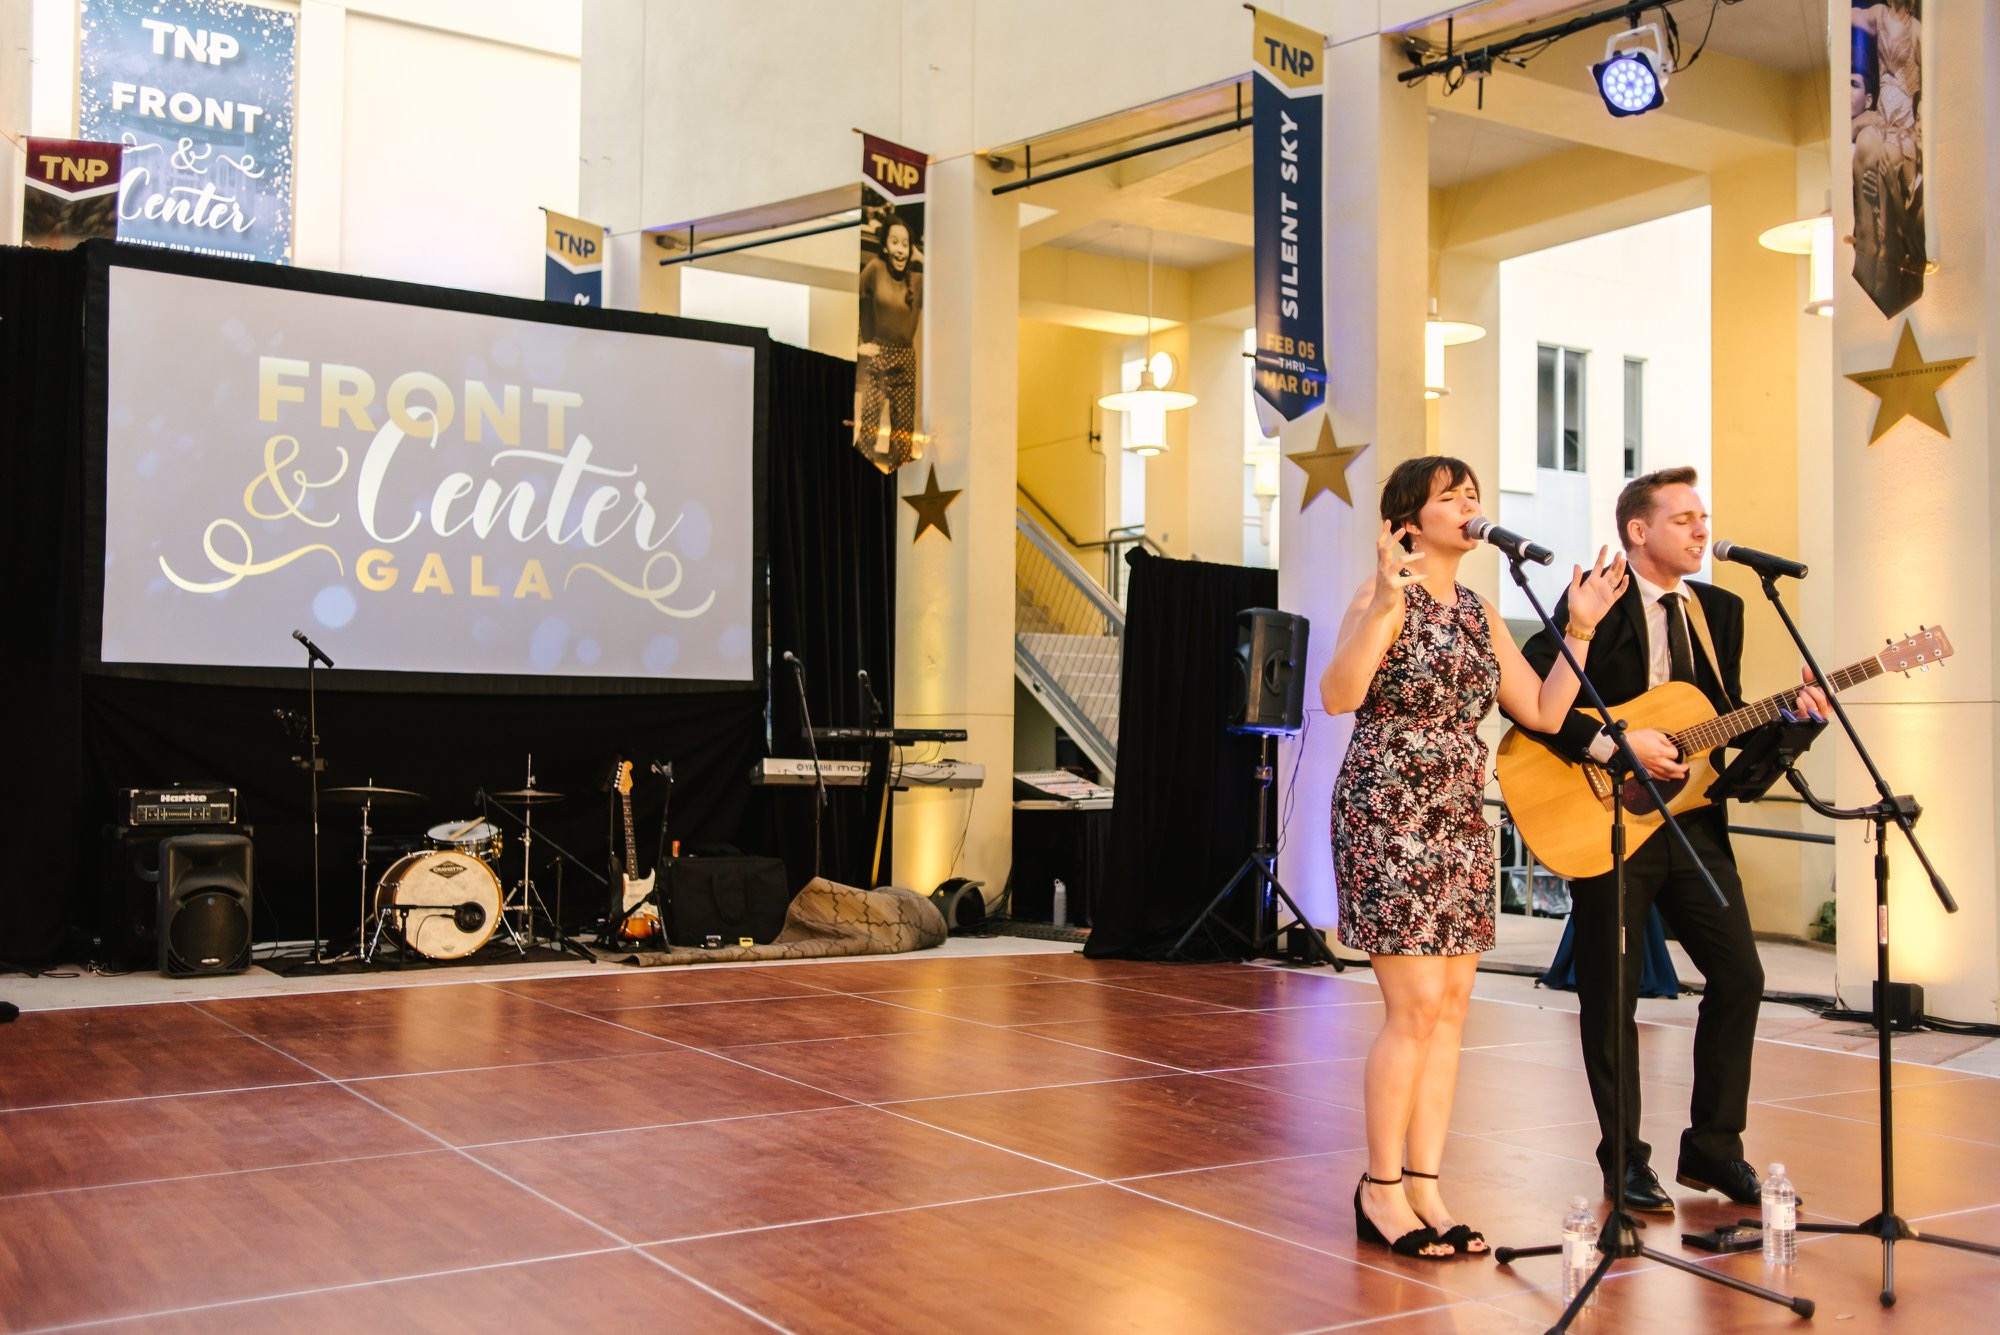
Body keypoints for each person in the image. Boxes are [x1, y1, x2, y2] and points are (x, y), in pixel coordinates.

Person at [1322, 456, 1628, 1259]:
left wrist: (1584, 628)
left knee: (1452, 1009)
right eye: (1448, 496)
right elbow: (1338, 694)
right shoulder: (1383, 595)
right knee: (1413, 1007)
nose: (1468, 505)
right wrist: (1387, 600)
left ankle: (1426, 1182)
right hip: (1389, 811)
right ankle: (1380, 1188)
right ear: (1408, 523)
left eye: (1471, 494)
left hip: (1457, 813)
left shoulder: (1482, 612)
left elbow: (1544, 709)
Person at [1514, 467, 1826, 1214]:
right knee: (1611, 992)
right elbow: (1538, 709)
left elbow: (1717, 726)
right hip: (1609, 821)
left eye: (1702, 515)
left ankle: (1714, 1149)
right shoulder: (1597, 600)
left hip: (1691, 823)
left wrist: (1792, 723)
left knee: (1741, 976)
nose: (1700, 528)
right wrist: (1617, 746)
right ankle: (1623, 1158)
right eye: (1683, 517)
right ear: (1638, 530)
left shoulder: (1723, 608)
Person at [854, 214, 922, 471]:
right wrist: (861, 343)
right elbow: (856, 302)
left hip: (905, 356)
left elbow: (945, 284)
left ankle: (897, 487)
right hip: (879, 351)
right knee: (869, 424)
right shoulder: (874, 269)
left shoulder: (917, 280)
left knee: (904, 431)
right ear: (885, 246)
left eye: (906, 244)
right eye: (894, 242)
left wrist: (921, 258)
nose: (900, 249)